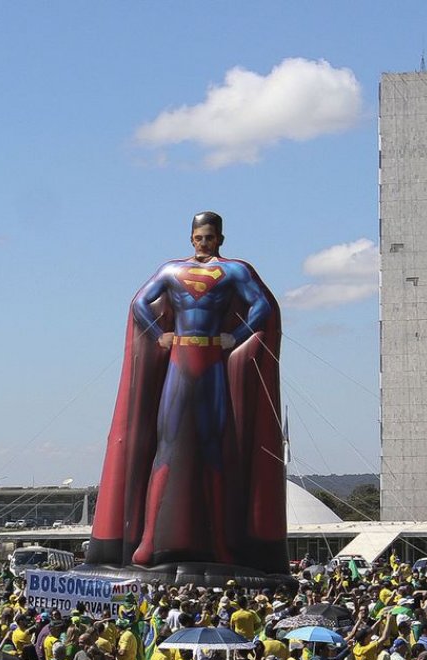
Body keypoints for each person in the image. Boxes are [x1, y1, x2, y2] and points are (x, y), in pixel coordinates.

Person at [85, 210, 290, 577]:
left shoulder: (234, 271)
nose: (203, 243)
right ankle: (149, 539)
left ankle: (220, 541)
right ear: (191, 237)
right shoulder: (171, 270)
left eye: (209, 237)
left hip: (212, 364)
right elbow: (139, 304)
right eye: (198, 237)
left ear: (220, 239)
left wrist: (236, 337)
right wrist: (158, 334)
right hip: (180, 362)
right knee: (167, 447)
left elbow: (261, 306)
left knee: (214, 448)